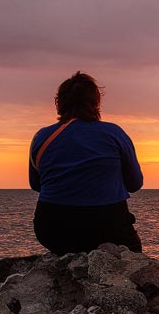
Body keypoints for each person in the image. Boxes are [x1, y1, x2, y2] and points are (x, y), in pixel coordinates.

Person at [29, 72, 143, 254]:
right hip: (107, 227)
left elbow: (36, 184)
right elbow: (135, 184)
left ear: (59, 103)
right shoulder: (114, 133)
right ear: (96, 103)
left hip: (52, 229)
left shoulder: (42, 137)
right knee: (133, 254)